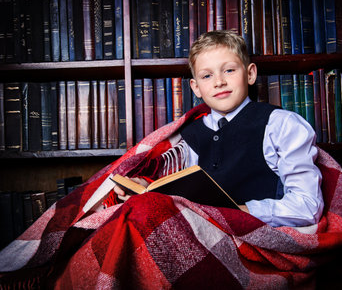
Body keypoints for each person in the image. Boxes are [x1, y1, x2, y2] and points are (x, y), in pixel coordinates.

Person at [114, 30, 323, 227]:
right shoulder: (189, 136)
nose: (219, 82)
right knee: (132, 218)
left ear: (250, 74)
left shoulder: (282, 125)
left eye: (229, 70)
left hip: (260, 235)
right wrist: (142, 185)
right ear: (196, 88)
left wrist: (240, 212)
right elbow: (178, 195)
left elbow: (308, 207)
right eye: (207, 76)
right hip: (203, 236)